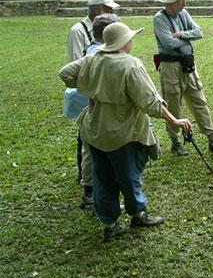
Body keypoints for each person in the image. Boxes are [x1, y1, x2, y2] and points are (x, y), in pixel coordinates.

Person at [59, 22, 192, 242]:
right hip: (124, 132)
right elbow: (151, 103)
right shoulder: (130, 65)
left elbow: (65, 73)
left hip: (96, 130)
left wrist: (92, 92)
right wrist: (175, 120)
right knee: (129, 177)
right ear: (124, 42)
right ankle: (137, 214)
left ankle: (110, 224)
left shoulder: (92, 58)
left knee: (102, 178)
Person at [153, 0, 213, 155]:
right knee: (173, 103)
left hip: (188, 65)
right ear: (172, 1)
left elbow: (199, 33)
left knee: (199, 100)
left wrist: (181, 35)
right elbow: (168, 43)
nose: (184, 3)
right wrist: (188, 38)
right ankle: (175, 143)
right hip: (171, 67)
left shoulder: (183, 14)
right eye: (181, 0)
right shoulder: (159, 18)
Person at [64, 0, 119, 210]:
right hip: (88, 91)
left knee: (92, 138)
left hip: (99, 90)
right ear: (96, 10)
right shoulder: (78, 30)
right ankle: (86, 182)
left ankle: (93, 180)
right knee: (85, 138)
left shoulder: (103, 28)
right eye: (109, 9)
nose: (112, 12)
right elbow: (78, 63)